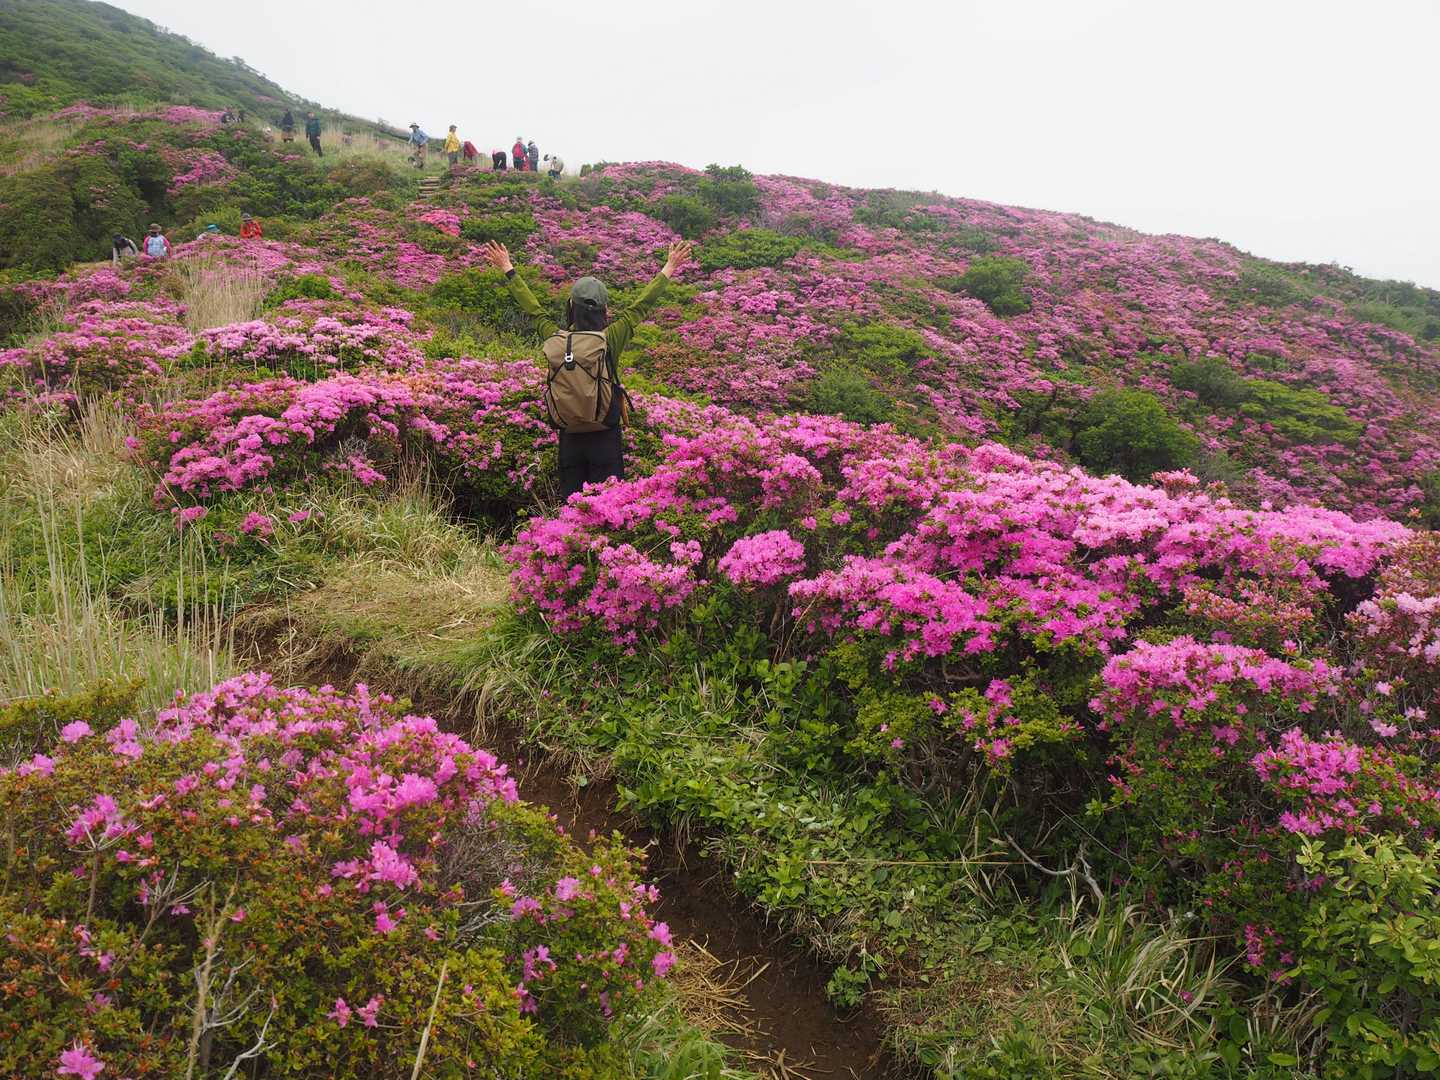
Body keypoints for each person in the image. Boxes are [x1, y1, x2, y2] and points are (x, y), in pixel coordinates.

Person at [480, 237, 693, 498]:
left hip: (570, 439)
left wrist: (508, 268)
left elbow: (534, 310)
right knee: (609, 505)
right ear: (605, 309)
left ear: (571, 306)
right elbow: (641, 306)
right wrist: (669, 266)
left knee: (573, 507)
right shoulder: (611, 338)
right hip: (605, 438)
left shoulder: (555, 338)